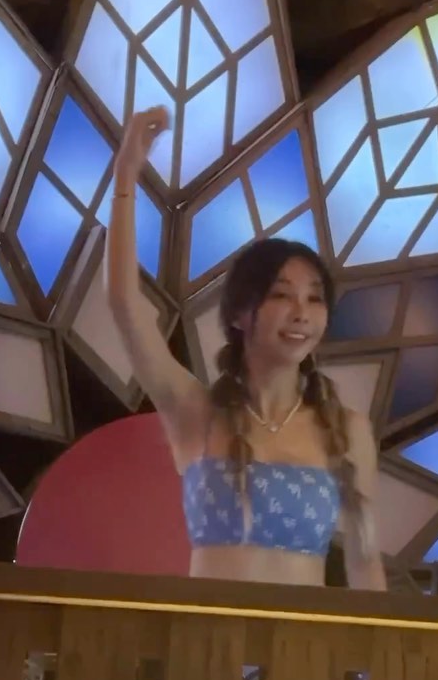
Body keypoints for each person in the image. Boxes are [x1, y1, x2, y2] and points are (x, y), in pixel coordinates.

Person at [105, 107, 387, 591]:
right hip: (205, 637)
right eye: (281, 295)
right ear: (239, 314)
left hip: (301, 637)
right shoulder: (196, 413)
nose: (301, 313)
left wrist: (379, 642)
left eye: (315, 299)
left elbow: (365, 563)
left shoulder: (348, 431)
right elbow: (124, 303)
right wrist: (125, 176)